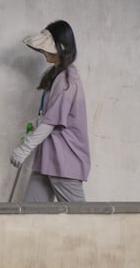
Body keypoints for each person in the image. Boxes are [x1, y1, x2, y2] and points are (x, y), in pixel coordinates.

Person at [9, 20, 90, 202]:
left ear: (61, 47)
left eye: (47, 47)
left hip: (64, 162)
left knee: (82, 219)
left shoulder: (68, 80)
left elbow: (51, 123)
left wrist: (24, 149)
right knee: (31, 215)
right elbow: (48, 117)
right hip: (48, 160)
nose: (44, 52)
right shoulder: (57, 75)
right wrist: (35, 125)